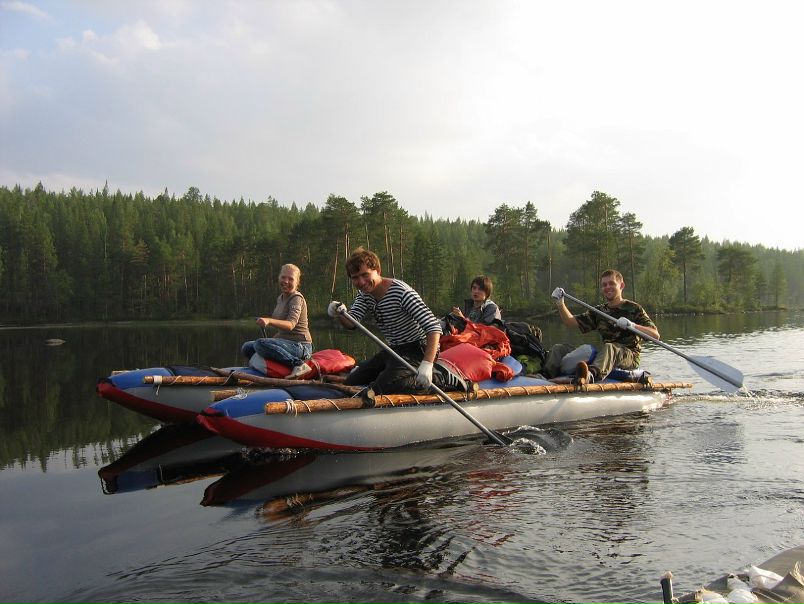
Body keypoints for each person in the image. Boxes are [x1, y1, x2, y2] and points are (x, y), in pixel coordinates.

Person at [328, 247, 467, 395]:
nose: (361, 282)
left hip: (419, 349)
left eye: (365, 275)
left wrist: (427, 364)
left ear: (377, 271)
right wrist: (340, 313)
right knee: (352, 381)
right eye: (355, 277)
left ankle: (442, 378)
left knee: (385, 387)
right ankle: (394, 374)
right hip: (395, 350)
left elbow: (433, 327)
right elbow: (351, 323)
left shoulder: (401, 292)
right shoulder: (364, 294)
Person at [545, 269, 660, 384]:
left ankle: (591, 375)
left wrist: (632, 325)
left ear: (621, 286)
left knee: (610, 347)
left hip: (629, 357)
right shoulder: (599, 311)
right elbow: (571, 322)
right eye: (604, 285)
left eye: (611, 283)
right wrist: (560, 304)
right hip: (605, 354)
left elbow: (655, 335)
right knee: (559, 349)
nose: (607, 287)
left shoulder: (634, 308)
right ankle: (543, 376)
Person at [241, 263, 313, 379]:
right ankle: (258, 371)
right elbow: (283, 331)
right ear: (279, 278)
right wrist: (272, 340)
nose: (286, 281)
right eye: (283, 277)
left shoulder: (296, 298)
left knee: (260, 343)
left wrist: (269, 321)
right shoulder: (280, 298)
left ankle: (298, 365)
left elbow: (290, 325)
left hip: (301, 346)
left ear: (297, 282)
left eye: (291, 279)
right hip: (287, 343)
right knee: (247, 347)